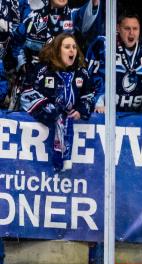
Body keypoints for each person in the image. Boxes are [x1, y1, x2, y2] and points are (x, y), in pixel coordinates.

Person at [20, 33, 93, 172]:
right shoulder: (44, 70)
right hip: (42, 136)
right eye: (67, 47)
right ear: (58, 51)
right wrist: (50, 110)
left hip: (70, 125)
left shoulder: (82, 72)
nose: (72, 50)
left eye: (74, 47)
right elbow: (27, 93)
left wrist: (81, 110)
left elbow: (89, 95)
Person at [11, 0, 100, 78]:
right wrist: (22, 64)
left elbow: (88, 16)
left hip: (64, 78)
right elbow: (16, 42)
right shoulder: (32, 18)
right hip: (34, 79)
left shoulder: (73, 15)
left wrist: (94, 3)